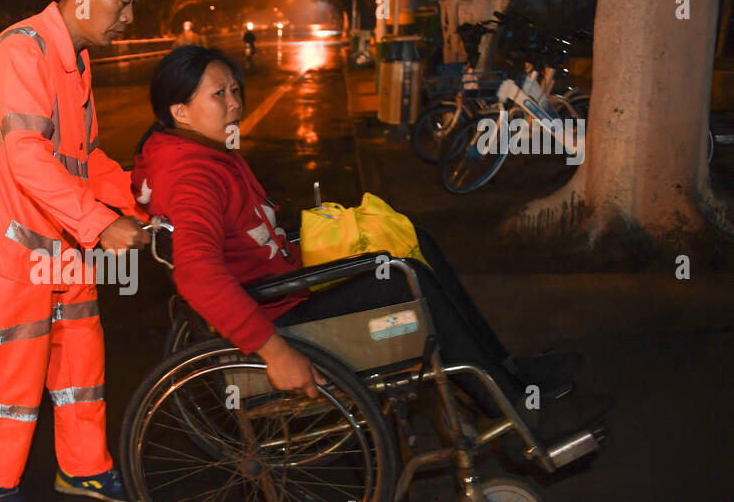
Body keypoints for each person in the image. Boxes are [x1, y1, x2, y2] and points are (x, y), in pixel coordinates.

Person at [130, 45, 614, 445]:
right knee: (406, 280)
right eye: (219, 95)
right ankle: (517, 421)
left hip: (282, 288)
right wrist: (275, 351)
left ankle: (509, 375)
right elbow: (196, 272)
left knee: (411, 239)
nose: (235, 103)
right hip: (278, 318)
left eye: (236, 90)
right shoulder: (193, 174)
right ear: (180, 111)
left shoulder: (201, 150)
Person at [0, 0, 166, 502]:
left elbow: (84, 158)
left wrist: (142, 200)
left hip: (64, 240)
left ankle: (84, 468)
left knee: (80, 360)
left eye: (132, 3)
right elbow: (28, 156)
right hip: (16, 245)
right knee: (19, 364)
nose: (128, 15)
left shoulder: (73, 59)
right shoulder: (22, 52)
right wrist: (101, 223)